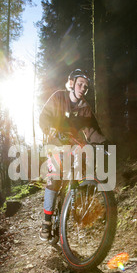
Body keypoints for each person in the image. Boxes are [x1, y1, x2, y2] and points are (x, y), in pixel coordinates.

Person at [38, 68, 107, 241]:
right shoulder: (58, 97)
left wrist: (103, 143)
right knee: (54, 178)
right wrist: (50, 128)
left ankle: (76, 198)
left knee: (83, 161)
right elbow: (44, 117)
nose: (83, 88)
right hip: (55, 142)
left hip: (74, 143)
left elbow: (93, 129)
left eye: (86, 86)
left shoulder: (85, 108)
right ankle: (46, 222)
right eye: (80, 84)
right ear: (72, 83)